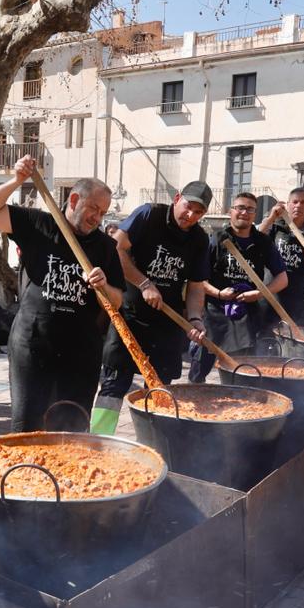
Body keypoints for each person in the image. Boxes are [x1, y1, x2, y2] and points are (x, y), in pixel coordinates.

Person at [0, 155, 124, 432]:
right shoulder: (37, 224)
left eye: (103, 213)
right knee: (28, 426)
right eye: (93, 208)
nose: (97, 218)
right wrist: (17, 180)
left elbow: (118, 300)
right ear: (74, 200)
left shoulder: (105, 246)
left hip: (81, 353)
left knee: (73, 429)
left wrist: (105, 286)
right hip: (32, 346)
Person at [92, 182, 211, 434]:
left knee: (158, 386)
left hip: (167, 322)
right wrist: (144, 283)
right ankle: (99, 441)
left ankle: (153, 442)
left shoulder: (200, 239)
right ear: (177, 198)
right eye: (188, 207)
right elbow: (116, 250)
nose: (190, 216)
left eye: (199, 212)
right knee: (115, 381)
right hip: (129, 313)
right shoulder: (149, 214)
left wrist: (195, 319)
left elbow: (196, 286)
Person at [189, 192, 288, 382]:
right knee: (199, 368)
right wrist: (218, 293)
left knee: (241, 370)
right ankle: (193, 399)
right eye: (240, 207)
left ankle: (238, 403)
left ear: (255, 214)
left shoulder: (263, 242)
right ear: (230, 211)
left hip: (247, 316)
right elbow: (198, 280)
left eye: (250, 209)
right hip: (214, 314)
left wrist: (259, 293)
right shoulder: (216, 239)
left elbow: (282, 279)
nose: (244, 212)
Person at [256, 187, 304, 325]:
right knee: (263, 333)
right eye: (294, 202)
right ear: (287, 204)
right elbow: (255, 238)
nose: (298, 206)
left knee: (293, 335)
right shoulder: (274, 225)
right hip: (269, 289)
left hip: (297, 294)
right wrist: (271, 218)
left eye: (303, 202)